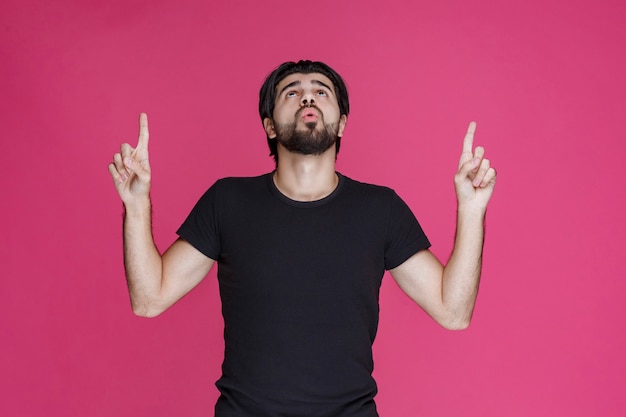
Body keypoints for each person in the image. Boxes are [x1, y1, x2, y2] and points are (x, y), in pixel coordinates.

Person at [108, 60, 497, 417]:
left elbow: (453, 310)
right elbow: (149, 299)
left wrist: (472, 209)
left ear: (342, 124)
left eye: (321, 91)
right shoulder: (227, 201)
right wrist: (136, 203)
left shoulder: (380, 209)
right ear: (269, 125)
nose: (307, 96)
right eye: (291, 92)